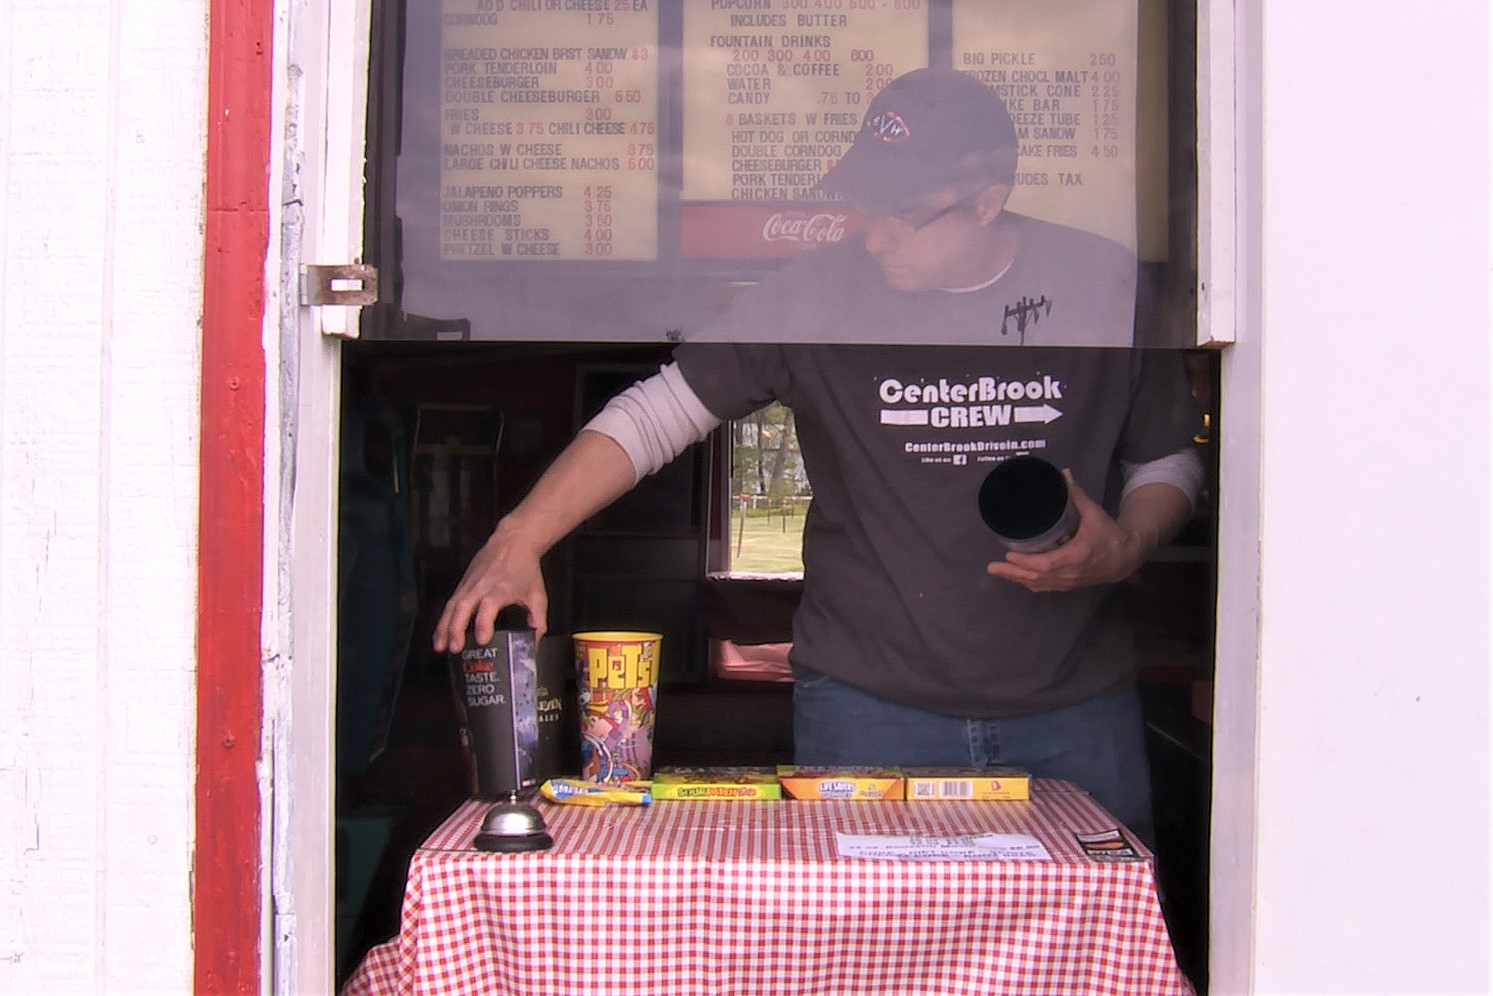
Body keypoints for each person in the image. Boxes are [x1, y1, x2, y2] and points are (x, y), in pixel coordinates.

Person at [433, 67, 1203, 847]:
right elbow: (657, 412)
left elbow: (1166, 457)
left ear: (986, 199)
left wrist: (1127, 546)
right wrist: (518, 538)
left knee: (1089, 953)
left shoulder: (1101, 283)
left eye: (903, 215)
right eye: (866, 207)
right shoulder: (812, 295)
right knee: (866, 949)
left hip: (1075, 702)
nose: (874, 236)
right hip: (870, 705)